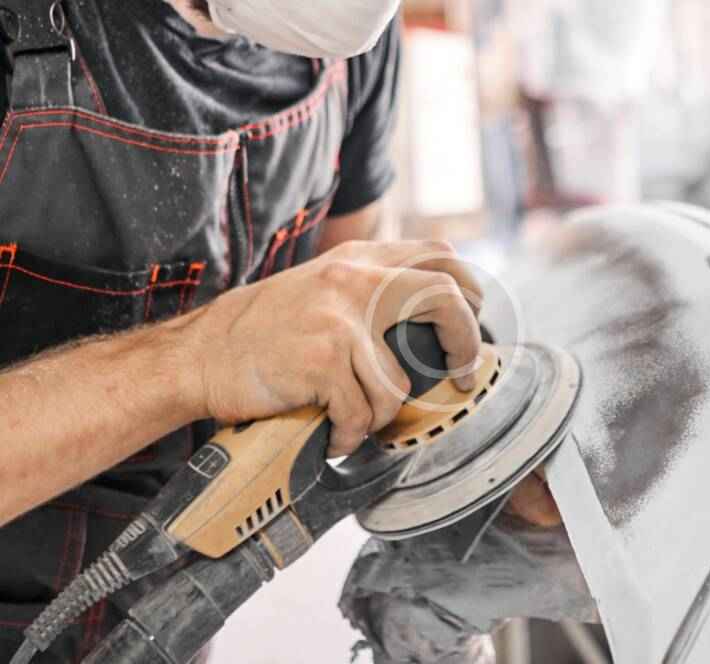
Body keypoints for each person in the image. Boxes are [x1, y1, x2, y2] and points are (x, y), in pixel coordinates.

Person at [0, 1, 557, 660]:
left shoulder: (345, 45)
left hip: (160, 630)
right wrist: (198, 358)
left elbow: (358, 323)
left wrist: (474, 464)